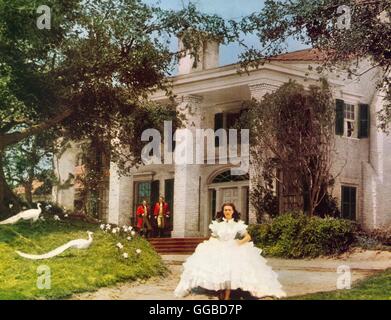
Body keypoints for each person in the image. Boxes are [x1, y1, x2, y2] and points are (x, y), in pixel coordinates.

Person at [174, 203, 286, 300]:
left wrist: (239, 243)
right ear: (223, 212)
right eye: (225, 210)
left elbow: (248, 237)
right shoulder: (218, 224)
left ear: (233, 212)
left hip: (233, 247)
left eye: (229, 210)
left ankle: (227, 296)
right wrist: (209, 245)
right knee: (219, 271)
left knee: (230, 271)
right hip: (220, 247)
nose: (227, 212)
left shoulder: (238, 224)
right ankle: (220, 293)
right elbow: (213, 237)